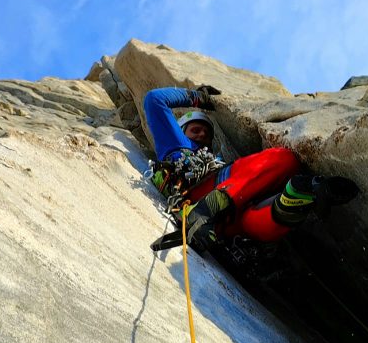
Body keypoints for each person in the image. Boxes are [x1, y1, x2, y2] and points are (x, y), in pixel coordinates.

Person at [143, 85, 357, 253]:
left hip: (226, 217)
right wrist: (199, 98)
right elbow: (155, 99)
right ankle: (206, 209)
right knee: (254, 171)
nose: (201, 135)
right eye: (195, 130)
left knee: (285, 162)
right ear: (180, 130)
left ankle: (296, 196)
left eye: (206, 133)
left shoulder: (215, 159)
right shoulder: (176, 144)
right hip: (198, 196)